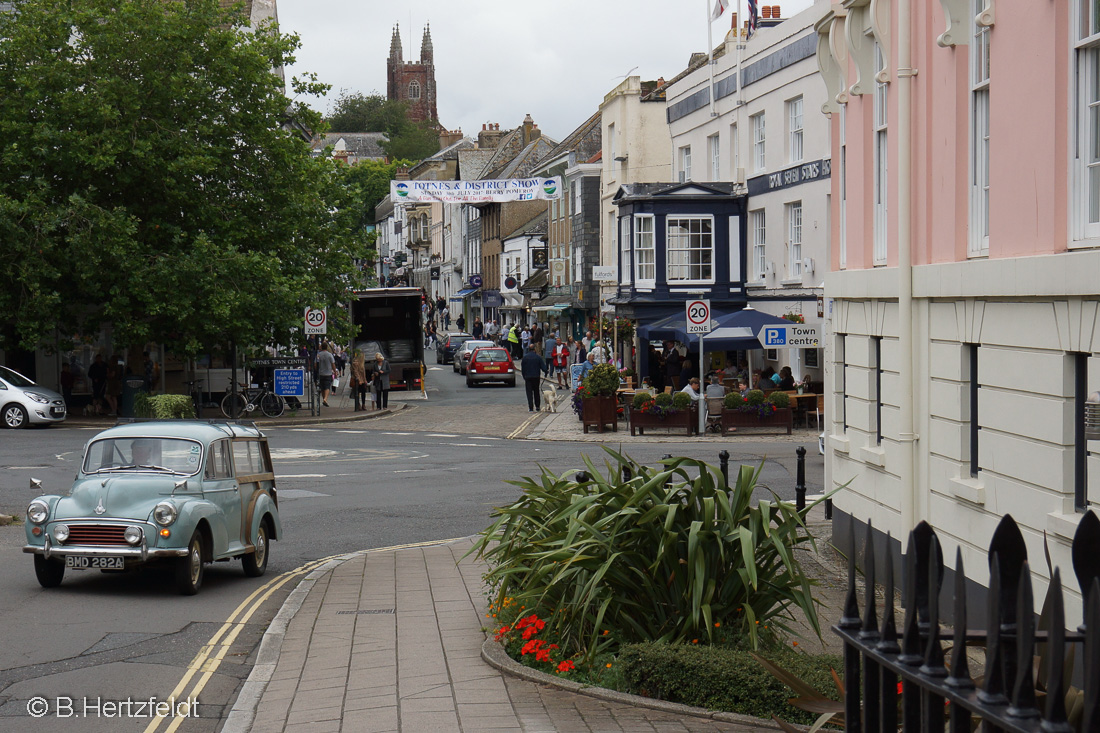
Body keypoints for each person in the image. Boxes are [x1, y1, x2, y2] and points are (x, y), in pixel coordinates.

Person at [521, 345, 545, 412]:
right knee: (536, 392)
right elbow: (543, 367)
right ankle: (537, 406)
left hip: (528, 377)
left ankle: (530, 407)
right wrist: (546, 372)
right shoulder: (538, 357)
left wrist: (524, 376)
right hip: (536, 376)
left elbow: (523, 368)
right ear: (535, 349)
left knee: (529, 393)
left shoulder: (525, 358)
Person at [316, 342, 336, 407]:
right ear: (327, 347)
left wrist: (316, 369)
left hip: (321, 373)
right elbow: (333, 364)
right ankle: (325, 399)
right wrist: (335, 371)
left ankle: (324, 398)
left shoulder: (318, 355)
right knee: (327, 387)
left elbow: (315, 364)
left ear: (321, 347)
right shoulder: (330, 355)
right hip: (328, 373)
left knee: (322, 387)